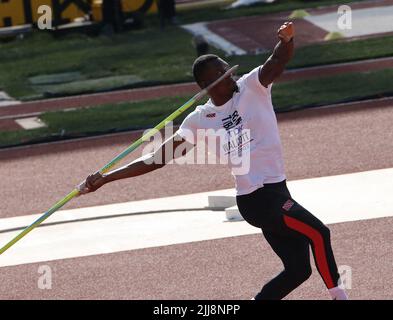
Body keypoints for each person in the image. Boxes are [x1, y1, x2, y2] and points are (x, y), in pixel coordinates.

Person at [78, 22, 348, 300]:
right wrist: (107, 178)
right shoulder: (199, 119)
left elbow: (277, 60)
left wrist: (287, 40)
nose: (231, 76)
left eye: (228, 70)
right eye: (222, 74)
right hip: (255, 198)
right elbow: (157, 158)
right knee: (319, 233)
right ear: (207, 86)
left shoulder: (252, 87)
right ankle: (340, 297)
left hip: (278, 191)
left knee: (298, 270)